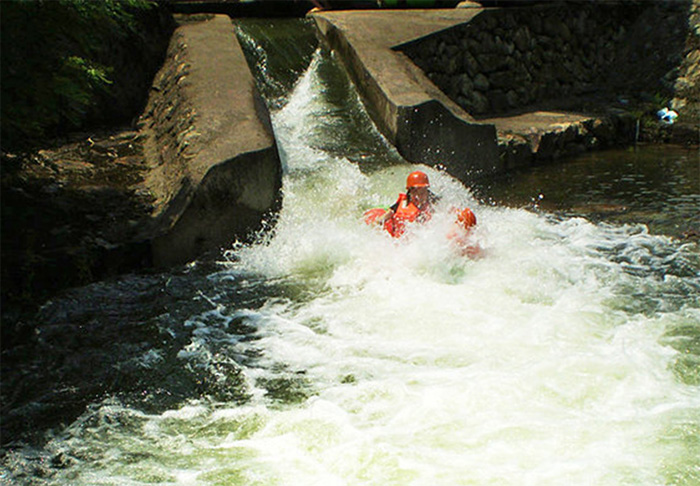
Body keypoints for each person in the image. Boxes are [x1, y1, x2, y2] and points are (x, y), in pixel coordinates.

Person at [375, 170, 438, 238]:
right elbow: (382, 219)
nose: (418, 196)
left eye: (422, 193)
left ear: (427, 191)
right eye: (415, 192)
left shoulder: (435, 204)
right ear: (410, 192)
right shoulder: (403, 203)